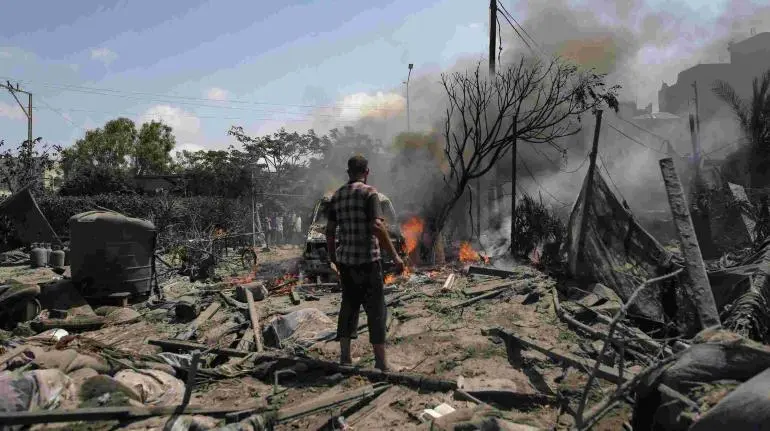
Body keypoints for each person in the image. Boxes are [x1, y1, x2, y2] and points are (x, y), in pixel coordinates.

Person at [326, 154, 405, 371]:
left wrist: (334, 258)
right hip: (369, 262)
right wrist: (396, 257)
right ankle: (381, 362)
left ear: (348, 172)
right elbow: (377, 227)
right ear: (367, 172)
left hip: (347, 263)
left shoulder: (337, 196)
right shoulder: (370, 193)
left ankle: (345, 357)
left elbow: (330, 231)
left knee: (348, 307)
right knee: (376, 309)